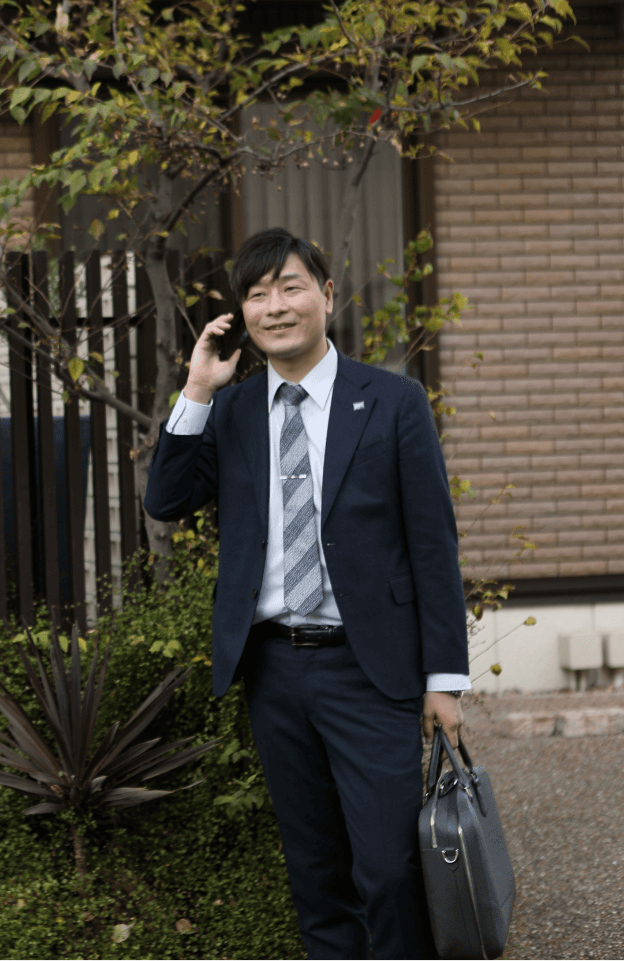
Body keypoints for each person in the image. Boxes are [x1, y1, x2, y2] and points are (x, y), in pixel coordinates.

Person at [143, 227, 469, 960]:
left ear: (326, 294)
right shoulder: (232, 411)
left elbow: (433, 544)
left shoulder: (392, 401)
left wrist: (444, 679)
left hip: (370, 668)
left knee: (390, 867)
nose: (275, 307)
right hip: (275, 669)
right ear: (242, 314)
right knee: (316, 875)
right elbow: (165, 500)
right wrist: (197, 388)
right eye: (257, 295)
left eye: (290, 287)